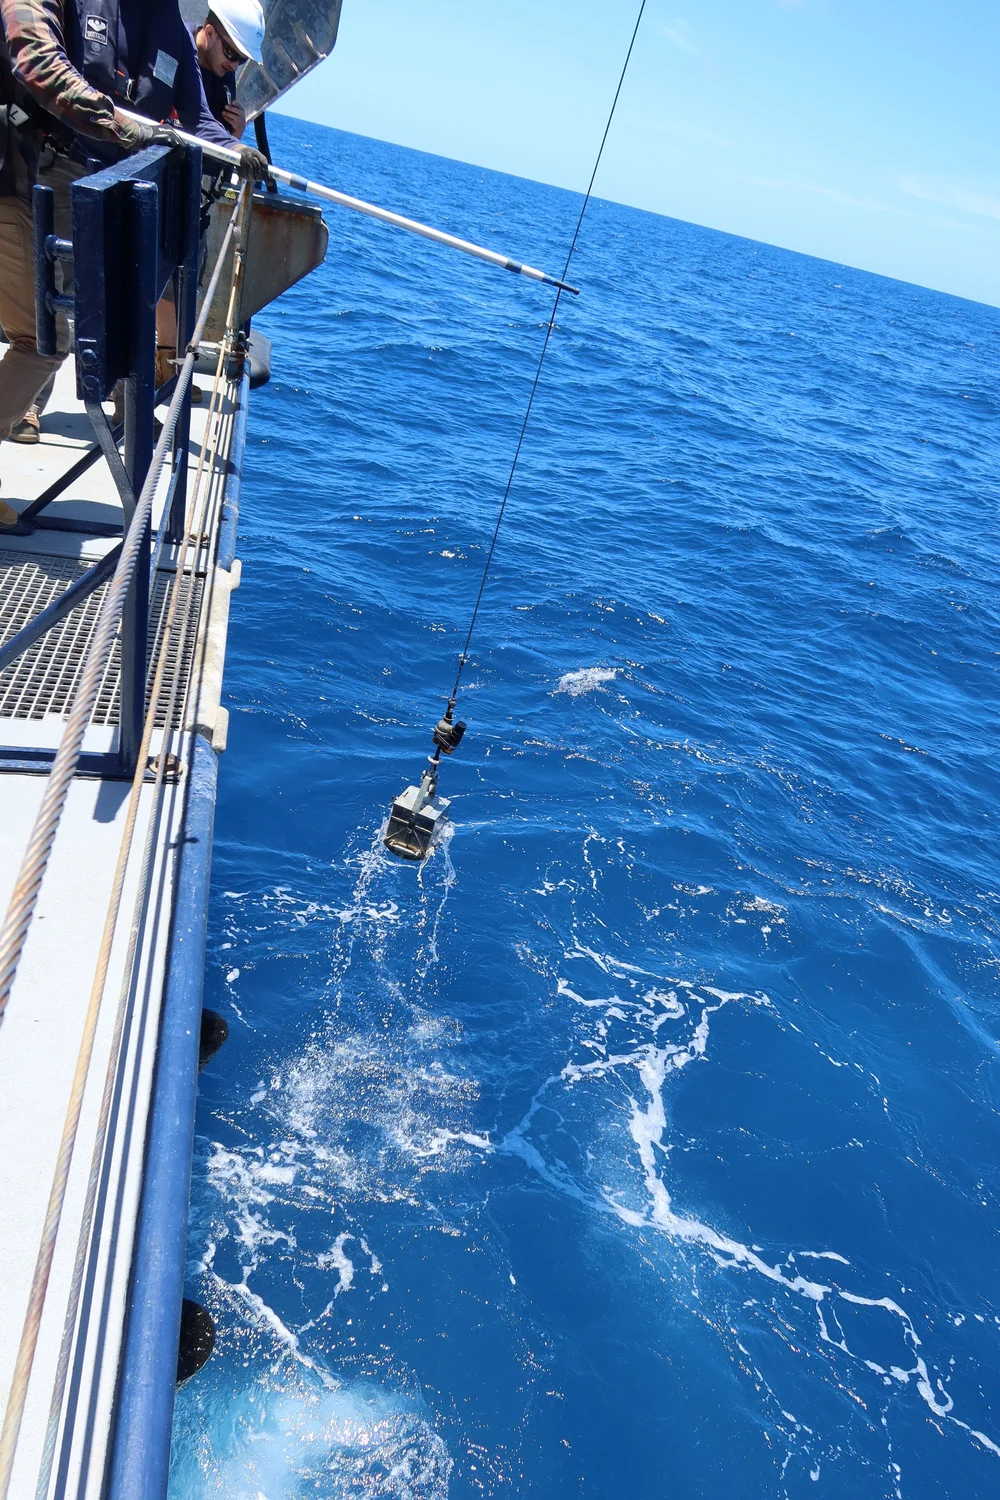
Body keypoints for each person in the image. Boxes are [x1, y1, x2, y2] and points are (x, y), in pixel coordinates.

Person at [0, 0, 269, 528]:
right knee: (41, 340)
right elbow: (36, 62)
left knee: (50, 337)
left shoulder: (166, 17)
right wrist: (123, 124)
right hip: (27, 175)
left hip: (95, 193)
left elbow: (196, 121)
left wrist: (233, 152)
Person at [192, 1, 266, 139]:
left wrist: (235, 133)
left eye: (242, 59)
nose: (235, 66)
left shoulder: (225, 71)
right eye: (231, 53)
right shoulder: (173, 48)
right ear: (209, 33)